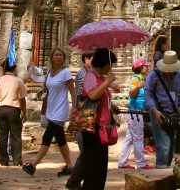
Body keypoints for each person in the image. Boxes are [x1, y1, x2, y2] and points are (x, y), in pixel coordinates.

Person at [22, 47, 74, 177]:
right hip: (51, 109)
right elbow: (47, 85)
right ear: (52, 57)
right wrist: (41, 91)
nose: (59, 57)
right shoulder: (50, 72)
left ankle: (33, 165)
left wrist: (74, 107)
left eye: (61, 55)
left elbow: (72, 91)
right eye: (56, 55)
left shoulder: (66, 72)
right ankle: (70, 166)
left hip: (61, 110)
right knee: (61, 138)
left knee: (47, 136)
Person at [78, 48, 118, 190]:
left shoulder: (100, 77)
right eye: (111, 64)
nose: (111, 67)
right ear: (105, 63)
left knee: (101, 167)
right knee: (93, 168)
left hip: (102, 126)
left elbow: (101, 100)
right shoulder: (91, 76)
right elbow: (93, 95)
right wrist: (107, 82)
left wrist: (112, 106)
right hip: (92, 126)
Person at [145, 50, 180, 168]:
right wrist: (154, 110)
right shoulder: (153, 75)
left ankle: (165, 171)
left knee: (171, 146)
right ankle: (161, 170)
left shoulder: (179, 76)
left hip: (173, 114)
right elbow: (148, 93)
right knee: (164, 145)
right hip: (158, 114)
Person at [65, 53, 94, 190]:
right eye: (92, 59)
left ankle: (77, 180)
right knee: (87, 151)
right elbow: (90, 93)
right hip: (84, 113)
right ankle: (74, 180)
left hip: (86, 113)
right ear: (86, 60)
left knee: (88, 152)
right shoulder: (84, 74)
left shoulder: (90, 74)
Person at [118, 59, 151, 170]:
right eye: (145, 66)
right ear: (141, 68)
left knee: (130, 139)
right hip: (135, 113)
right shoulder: (136, 79)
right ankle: (141, 163)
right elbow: (132, 94)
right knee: (138, 138)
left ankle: (122, 162)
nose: (147, 67)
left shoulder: (140, 79)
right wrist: (138, 86)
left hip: (136, 112)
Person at [0, 58, 27, 167]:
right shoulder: (18, 81)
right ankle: (17, 160)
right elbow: (22, 99)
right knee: (16, 135)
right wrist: (24, 113)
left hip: (1, 108)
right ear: (14, 69)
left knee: (2, 135)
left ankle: (3, 160)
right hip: (14, 109)